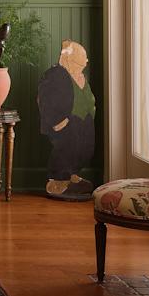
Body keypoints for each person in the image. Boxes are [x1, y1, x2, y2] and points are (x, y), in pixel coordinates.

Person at [37, 39, 96, 201]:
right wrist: (56, 120)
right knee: (67, 147)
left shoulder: (80, 77)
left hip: (83, 122)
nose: (81, 68)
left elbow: (88, 99)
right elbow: (46, 98)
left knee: (84, 148)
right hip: (64, 122)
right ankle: (58, 180)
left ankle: (71, 175)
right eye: (78, 64)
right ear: (67, 60)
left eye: (83, 64)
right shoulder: (56, 75)